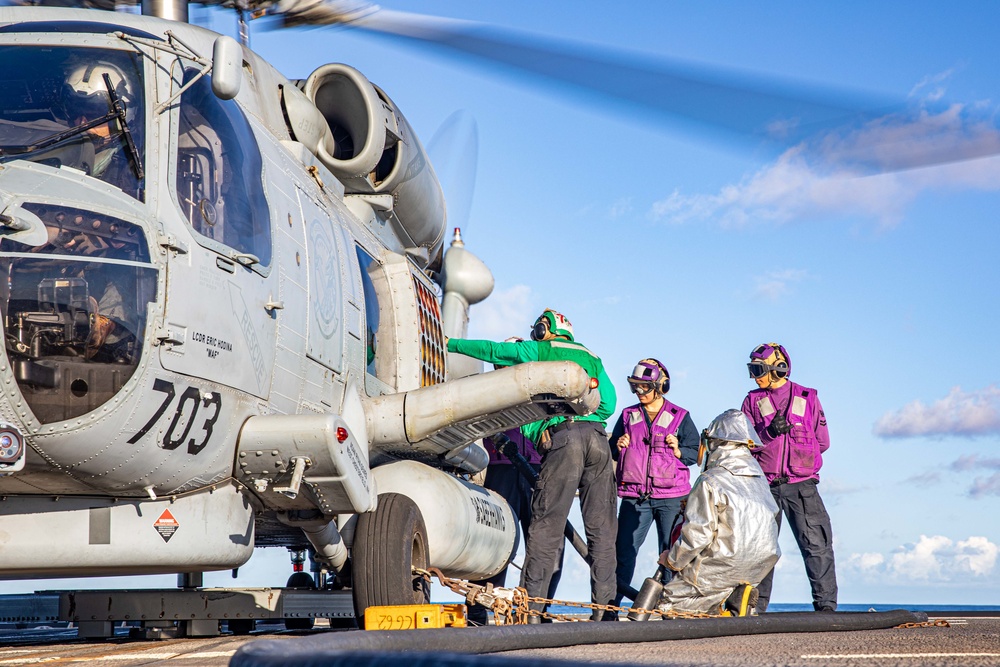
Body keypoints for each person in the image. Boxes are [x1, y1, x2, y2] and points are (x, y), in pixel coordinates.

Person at [447, 308, 618, 621]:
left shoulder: (538, 352)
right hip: (595, 439)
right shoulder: (589, 355)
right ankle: (606, 613)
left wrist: (449, 343)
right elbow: (608, 403)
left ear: (543, 330)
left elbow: (491, 350)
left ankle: (531, 612)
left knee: (545, 530)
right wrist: (583, 414)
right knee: (602, 529)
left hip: (557, 449)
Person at [741, 342, 837, 612]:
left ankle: (826, 608)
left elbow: (823, 441)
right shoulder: (751, 401)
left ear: (779, 368)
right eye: (752, 369)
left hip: (802, 486)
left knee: (817, 546)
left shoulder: (807, 397)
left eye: (758, 369)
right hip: (764, 487)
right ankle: (754, 610)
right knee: (761, 551)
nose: (754, 376)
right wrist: (769, 434)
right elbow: (744, 443)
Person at [656, 409, 780, 615]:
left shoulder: (711, 480)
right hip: (757, 567)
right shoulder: (760, 481)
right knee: (720, 595)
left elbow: (698, 534)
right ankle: (735, 598)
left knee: (669, 605)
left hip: (720, 564)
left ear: (714, 442)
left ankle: (717, 605)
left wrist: (671, 559)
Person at [608, 359, 699, 606]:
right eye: (634, 386)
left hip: (672, 498)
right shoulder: (628, 415)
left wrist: (680, 451)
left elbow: (696, 451)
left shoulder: (680, 417)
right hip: (634, 498)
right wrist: (617, 446)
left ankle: (671, 607)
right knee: (623, 554)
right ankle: (610, 607)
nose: (639, 392)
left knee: (672, 555)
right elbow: (611, 450)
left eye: (644, 387)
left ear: (661, 386)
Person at [465, 427, 563, 625]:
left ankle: (539, 608)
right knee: (493, 541)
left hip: (539, 469)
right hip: (500, 467)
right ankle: (477, 610)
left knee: (550, 543)